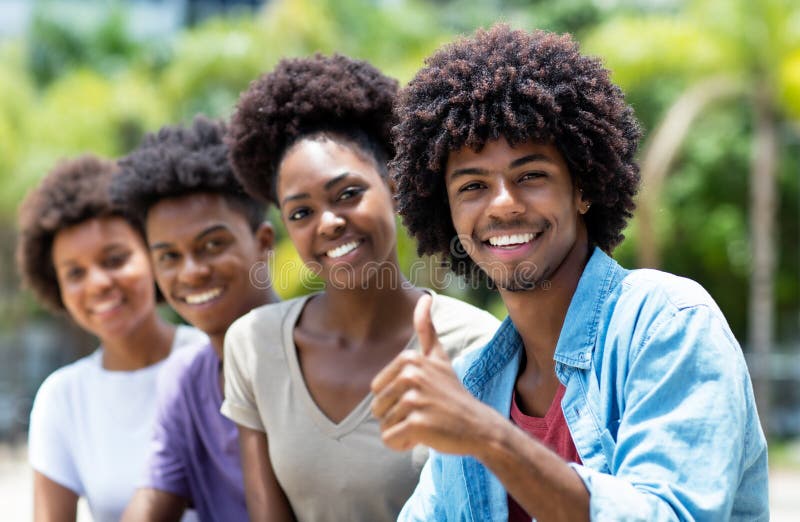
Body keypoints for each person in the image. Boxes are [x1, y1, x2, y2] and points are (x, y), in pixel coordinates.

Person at [371, 24, 769, 521]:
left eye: (531, 176)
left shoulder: (668, 323)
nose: (503, 204)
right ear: (446, 213)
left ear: (582, 188)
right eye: (472, 186)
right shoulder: (473, 384)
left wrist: (490, 437)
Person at [221, 53, 500, 522]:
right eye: (301, 212)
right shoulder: (253, 345)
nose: (328, 222)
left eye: (348, 194)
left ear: (393, 185)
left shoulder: (474, 340)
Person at [17, 155, 207, 522]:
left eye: (115, 259)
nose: (98, 283)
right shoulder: (63, 398)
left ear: (155, 255)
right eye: (75, 273)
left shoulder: (215, 359)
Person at [109, 116, 280, 521]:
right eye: (168, 256)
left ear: (263, 243)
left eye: (212, 245)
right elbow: (152, 501)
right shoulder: (186, 379)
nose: (190, 272)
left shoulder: (326, 350)